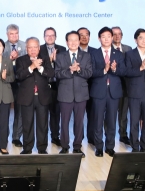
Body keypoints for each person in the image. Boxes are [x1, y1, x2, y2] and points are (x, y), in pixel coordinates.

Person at [90, 27, 127, 157]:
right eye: (103, 37)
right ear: (99, 38)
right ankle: (99, 147)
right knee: (98, 121)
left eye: (108, 36)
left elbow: (124, 72)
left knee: (112, 120)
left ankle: (110, 146)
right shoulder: (93, 53)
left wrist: (115, 70)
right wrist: (104, 70)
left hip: (114, 92)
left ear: (112, 38)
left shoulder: (119, 54)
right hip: (98, 91)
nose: (106, 39)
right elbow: (91, 72)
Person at [55, 30, 93, 156]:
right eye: (70, 40)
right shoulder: (60, 56)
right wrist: (70, 71)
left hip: (81, 94)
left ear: (79, 41)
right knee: (64, 122)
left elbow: (89, 73)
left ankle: (77, 146)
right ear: (66, 42)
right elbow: (57, 74)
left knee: (79, 121)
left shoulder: (86, 56)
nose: (73, 42)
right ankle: (64, 146)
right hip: (65, 94)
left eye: (75, 40)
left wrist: (79, 69)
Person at [16, 37, 55, 155]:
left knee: (42, 124)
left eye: (35, 47)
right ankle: (27, 148)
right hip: (27, 97)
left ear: (39, 48)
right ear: (26, 48)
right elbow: (19, 76)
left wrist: (40, 68)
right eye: (30, 47)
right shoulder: (21, 60)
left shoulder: (45, 59)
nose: (33, 50)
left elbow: (51, 74)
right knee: (27, 124)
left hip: (42, 97)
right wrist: (31, 67)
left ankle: (42, 148)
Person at [39, 27, 66, 147]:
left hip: (57, 85)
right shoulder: (39, 49)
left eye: (52, 35)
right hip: (43, 85)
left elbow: (65, 66)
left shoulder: (62, 49)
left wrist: (56, 61)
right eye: (47, 35)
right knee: (43, 113)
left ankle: (55, 136)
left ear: (55, 37)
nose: (50, 37)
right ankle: (42, 138)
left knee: (56, 113)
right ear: (44, 37)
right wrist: (49, 62)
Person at [4, 24, 27, 147]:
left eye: (16, 33)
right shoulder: (1, 46)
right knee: (4, 111)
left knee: (20, 111)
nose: (14, 36)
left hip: (21, 82)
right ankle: (3, 136)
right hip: (5, 82)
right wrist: (9, 58)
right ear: (7, 35)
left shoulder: (24, 45)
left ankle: (17, 137)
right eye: (11, 34)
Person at [112, 26, 133, 146]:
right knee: (110, 112)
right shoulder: (107, 49)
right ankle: (108, 134)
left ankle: (123, 134)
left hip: (126, 85)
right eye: (114, 34)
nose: (117, 36)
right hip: (113, 84)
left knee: (124, 113)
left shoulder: (128, 49)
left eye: (119, 34)